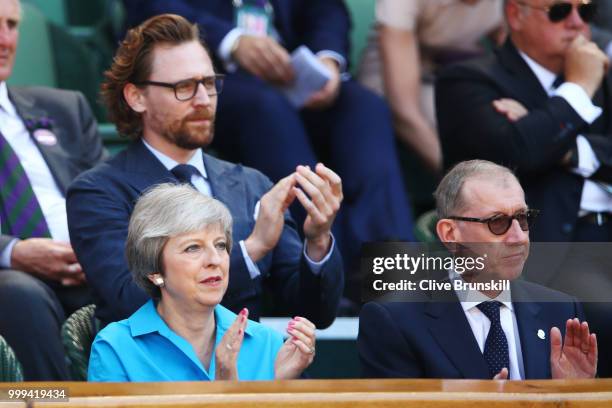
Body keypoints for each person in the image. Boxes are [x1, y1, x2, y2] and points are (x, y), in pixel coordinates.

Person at [122, 1, 416, 303]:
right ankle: (334, 273)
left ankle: (395, 273)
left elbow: (326, 9)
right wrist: (232, 40)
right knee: (268, 112)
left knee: (365, 108)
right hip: (216, 78)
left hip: (293, 72)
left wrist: (327, 60)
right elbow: (153, 7)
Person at [67, 14, 343, 329]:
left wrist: (318, 241)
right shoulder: (98, 191)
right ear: (136, 97)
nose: (202, 100)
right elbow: (130, 301)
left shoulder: (251, 184)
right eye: (183, 87)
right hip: (158, 374)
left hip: (252, 374)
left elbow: (314, 313)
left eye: (209, 84)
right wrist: (251, 250)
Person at [435, 0, 612, 376]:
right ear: (516, 14)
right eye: (561, 11)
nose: (579, 23)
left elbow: (530, 144)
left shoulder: (605, 73)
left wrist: (553, 140)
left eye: (588, 10)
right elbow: (514, 153)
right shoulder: (468, 79)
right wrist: (578, 90)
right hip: (549, 247)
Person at [358, 160, 598, 379]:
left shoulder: (560, 310)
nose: (518, 237)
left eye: (523, 218)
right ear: (451, 234)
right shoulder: (395, 320)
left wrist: (574, 395)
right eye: (497, 222)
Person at [88, 184, 315, 381]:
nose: (215, 260)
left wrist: (279, 383)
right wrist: (226, 390)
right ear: (154, 271)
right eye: (193, 248)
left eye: (220, 245)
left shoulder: (268, 344)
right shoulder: (115, 347)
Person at [0, 0, 106, 380]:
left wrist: (98, 250)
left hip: (89, 266)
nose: (5, 39)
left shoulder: (64, 108)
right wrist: (13, 252)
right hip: (12, 277)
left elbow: (110, 200)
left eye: (12, 25)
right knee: (16, 295)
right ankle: (48, 404)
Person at [358, 0, 505, 173]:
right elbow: (405, 113)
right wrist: (460, 181)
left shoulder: (518, 7)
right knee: (460, 125)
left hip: (454, 66)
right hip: (391, 73)